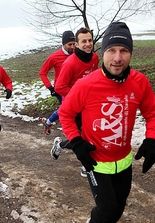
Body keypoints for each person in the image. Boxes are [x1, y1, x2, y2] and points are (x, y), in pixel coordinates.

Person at [58, 22, 155, 223]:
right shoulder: (86, 85)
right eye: (111, 51)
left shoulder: (139, 82)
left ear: (130, 53)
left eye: (124, 51)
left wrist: (151, 140)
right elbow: (65, 113)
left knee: (120, 207)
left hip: (123, 160)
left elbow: (153, 114)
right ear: (102, 53)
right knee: (106, 207)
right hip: (96, 161)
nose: (117, 58)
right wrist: (76, 142)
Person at [50, 27, 99, 177]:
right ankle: (62, 147)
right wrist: (78, 95)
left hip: (89, 104)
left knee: (93, 134)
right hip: (73, 105)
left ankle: (83, 163)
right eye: (83, 41)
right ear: (76, 44)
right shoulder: (70, 63)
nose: (88, 44)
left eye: (90, 40)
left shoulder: (95, 58)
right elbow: (59, 87)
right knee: (80, 138)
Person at [39, 30, 76, 135]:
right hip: (60, 89)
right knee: (67, 108)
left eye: (74, 44)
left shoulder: (76, 54)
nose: (72, 47)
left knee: (69, 109)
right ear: (63, 44)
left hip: (74, 88)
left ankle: (49, 122)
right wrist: (50, 88)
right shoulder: (54, 57)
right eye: (69, 44)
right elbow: (42, 73)